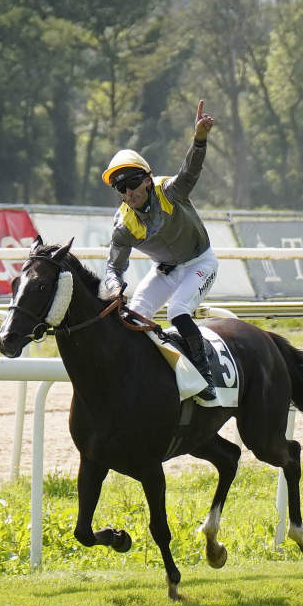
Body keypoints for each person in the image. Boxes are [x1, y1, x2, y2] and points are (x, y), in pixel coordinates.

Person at [100, 102, 222, 401]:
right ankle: (147, 374)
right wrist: (115, 288)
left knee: (178, 310)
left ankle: (204, 377)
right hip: (166, 269)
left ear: (146, 179)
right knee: (134, 317)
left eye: (131, 183)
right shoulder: (123, 224)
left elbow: (190, 171)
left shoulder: (169, 190)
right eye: (120, 188)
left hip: (200, 262)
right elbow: (114, 268)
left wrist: (200, 139)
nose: (128, 193)